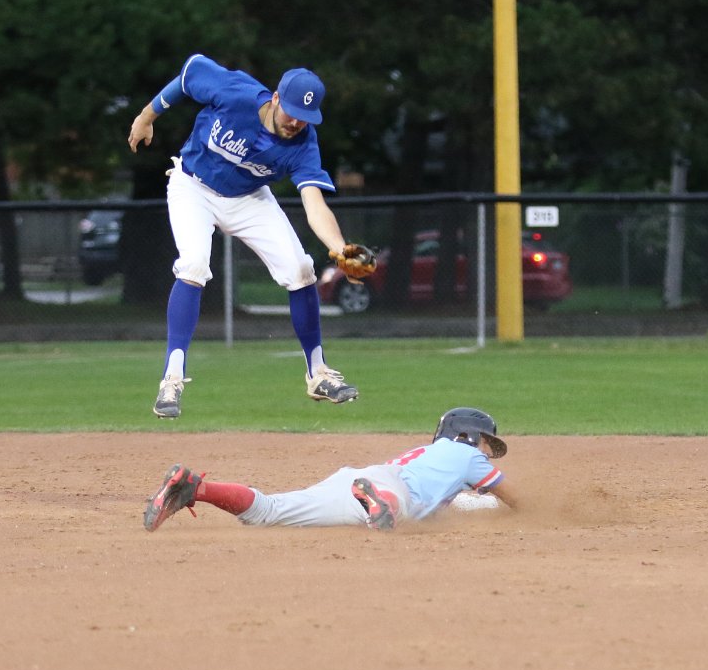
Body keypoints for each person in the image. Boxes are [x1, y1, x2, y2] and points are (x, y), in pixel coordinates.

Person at [128, 53, 361, 419]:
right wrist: (147, 116)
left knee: (300, 269)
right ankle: (171, 380)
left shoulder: (303, 142)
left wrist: (339, 248)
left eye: (306, 117)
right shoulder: (235, 93)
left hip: (248, 198)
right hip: (193, 186)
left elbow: (314, 203)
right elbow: (190, 71)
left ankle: (318, 374)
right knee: (193, 264)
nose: (296, 122)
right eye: (291, 112)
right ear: (276, 98)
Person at [143, 407, 518, 531]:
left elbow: (452, 505)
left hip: (355, 479)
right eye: (487, 443)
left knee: (267, 512)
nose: (488, 452)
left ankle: (196, 487)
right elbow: (516, 499)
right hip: (388, 490)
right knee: (402, 508)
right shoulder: (468, 456)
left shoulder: (428, 454)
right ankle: (381, 502)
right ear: (468, 435)